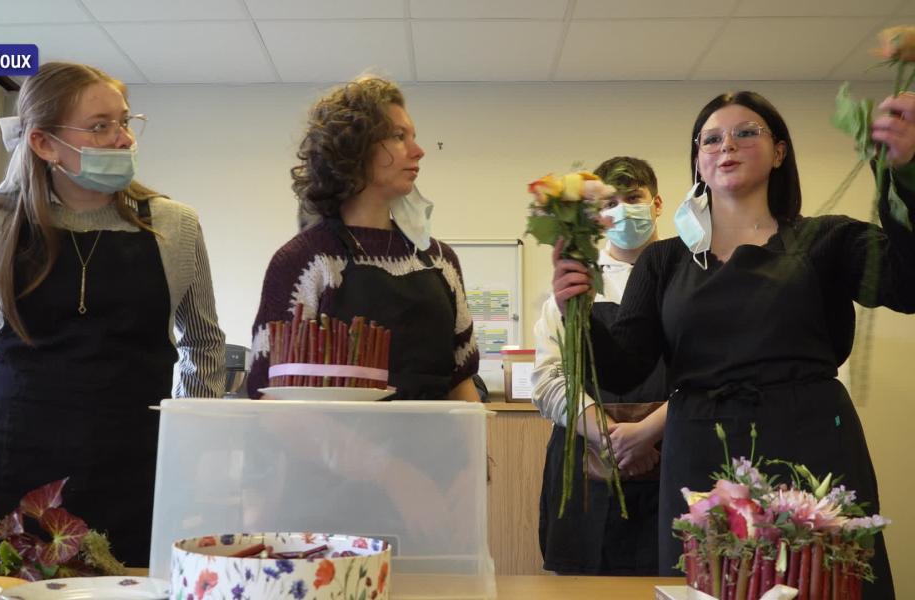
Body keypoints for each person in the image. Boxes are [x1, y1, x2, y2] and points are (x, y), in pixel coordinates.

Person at [552, 90, 915, 598]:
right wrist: (578, 313)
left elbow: (907, 287)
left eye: (746, 133)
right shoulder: (663, 261)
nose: (727, 146)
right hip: (700, 452)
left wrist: (906, 175)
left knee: (822, 581)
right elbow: (624, 368)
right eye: (711, 139)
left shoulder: (828, 241)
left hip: (811, 445)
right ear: (698, 159)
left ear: (779, 151)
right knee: (709, 585)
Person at [0, 62, 226, 569]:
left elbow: (204, 342)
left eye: (125, 121)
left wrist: (189, 441)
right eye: (100, 126)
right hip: (10, 466)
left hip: (135, 468)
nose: (123, 138)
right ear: (43, 143)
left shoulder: (175, 226)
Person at [247, 75, 479, 401]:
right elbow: (270, 397)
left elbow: (461, 382)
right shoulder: (305, 261)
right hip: (330, 437)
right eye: (399, 136)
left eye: (413, 137)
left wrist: (475, 435)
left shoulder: (441, 262)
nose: (419, 151)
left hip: (436, 436)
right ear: (354, 148)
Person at [532, 156, 670, 575]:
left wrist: (647, 433)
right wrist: (610, 439)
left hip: (670, 458)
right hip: (585, 468)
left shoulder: (687, 277)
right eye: (610, 203)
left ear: (657, 204)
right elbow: (549, 379)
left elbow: (707, 375)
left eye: (634, 198)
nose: (622, 211)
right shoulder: (575, 284)